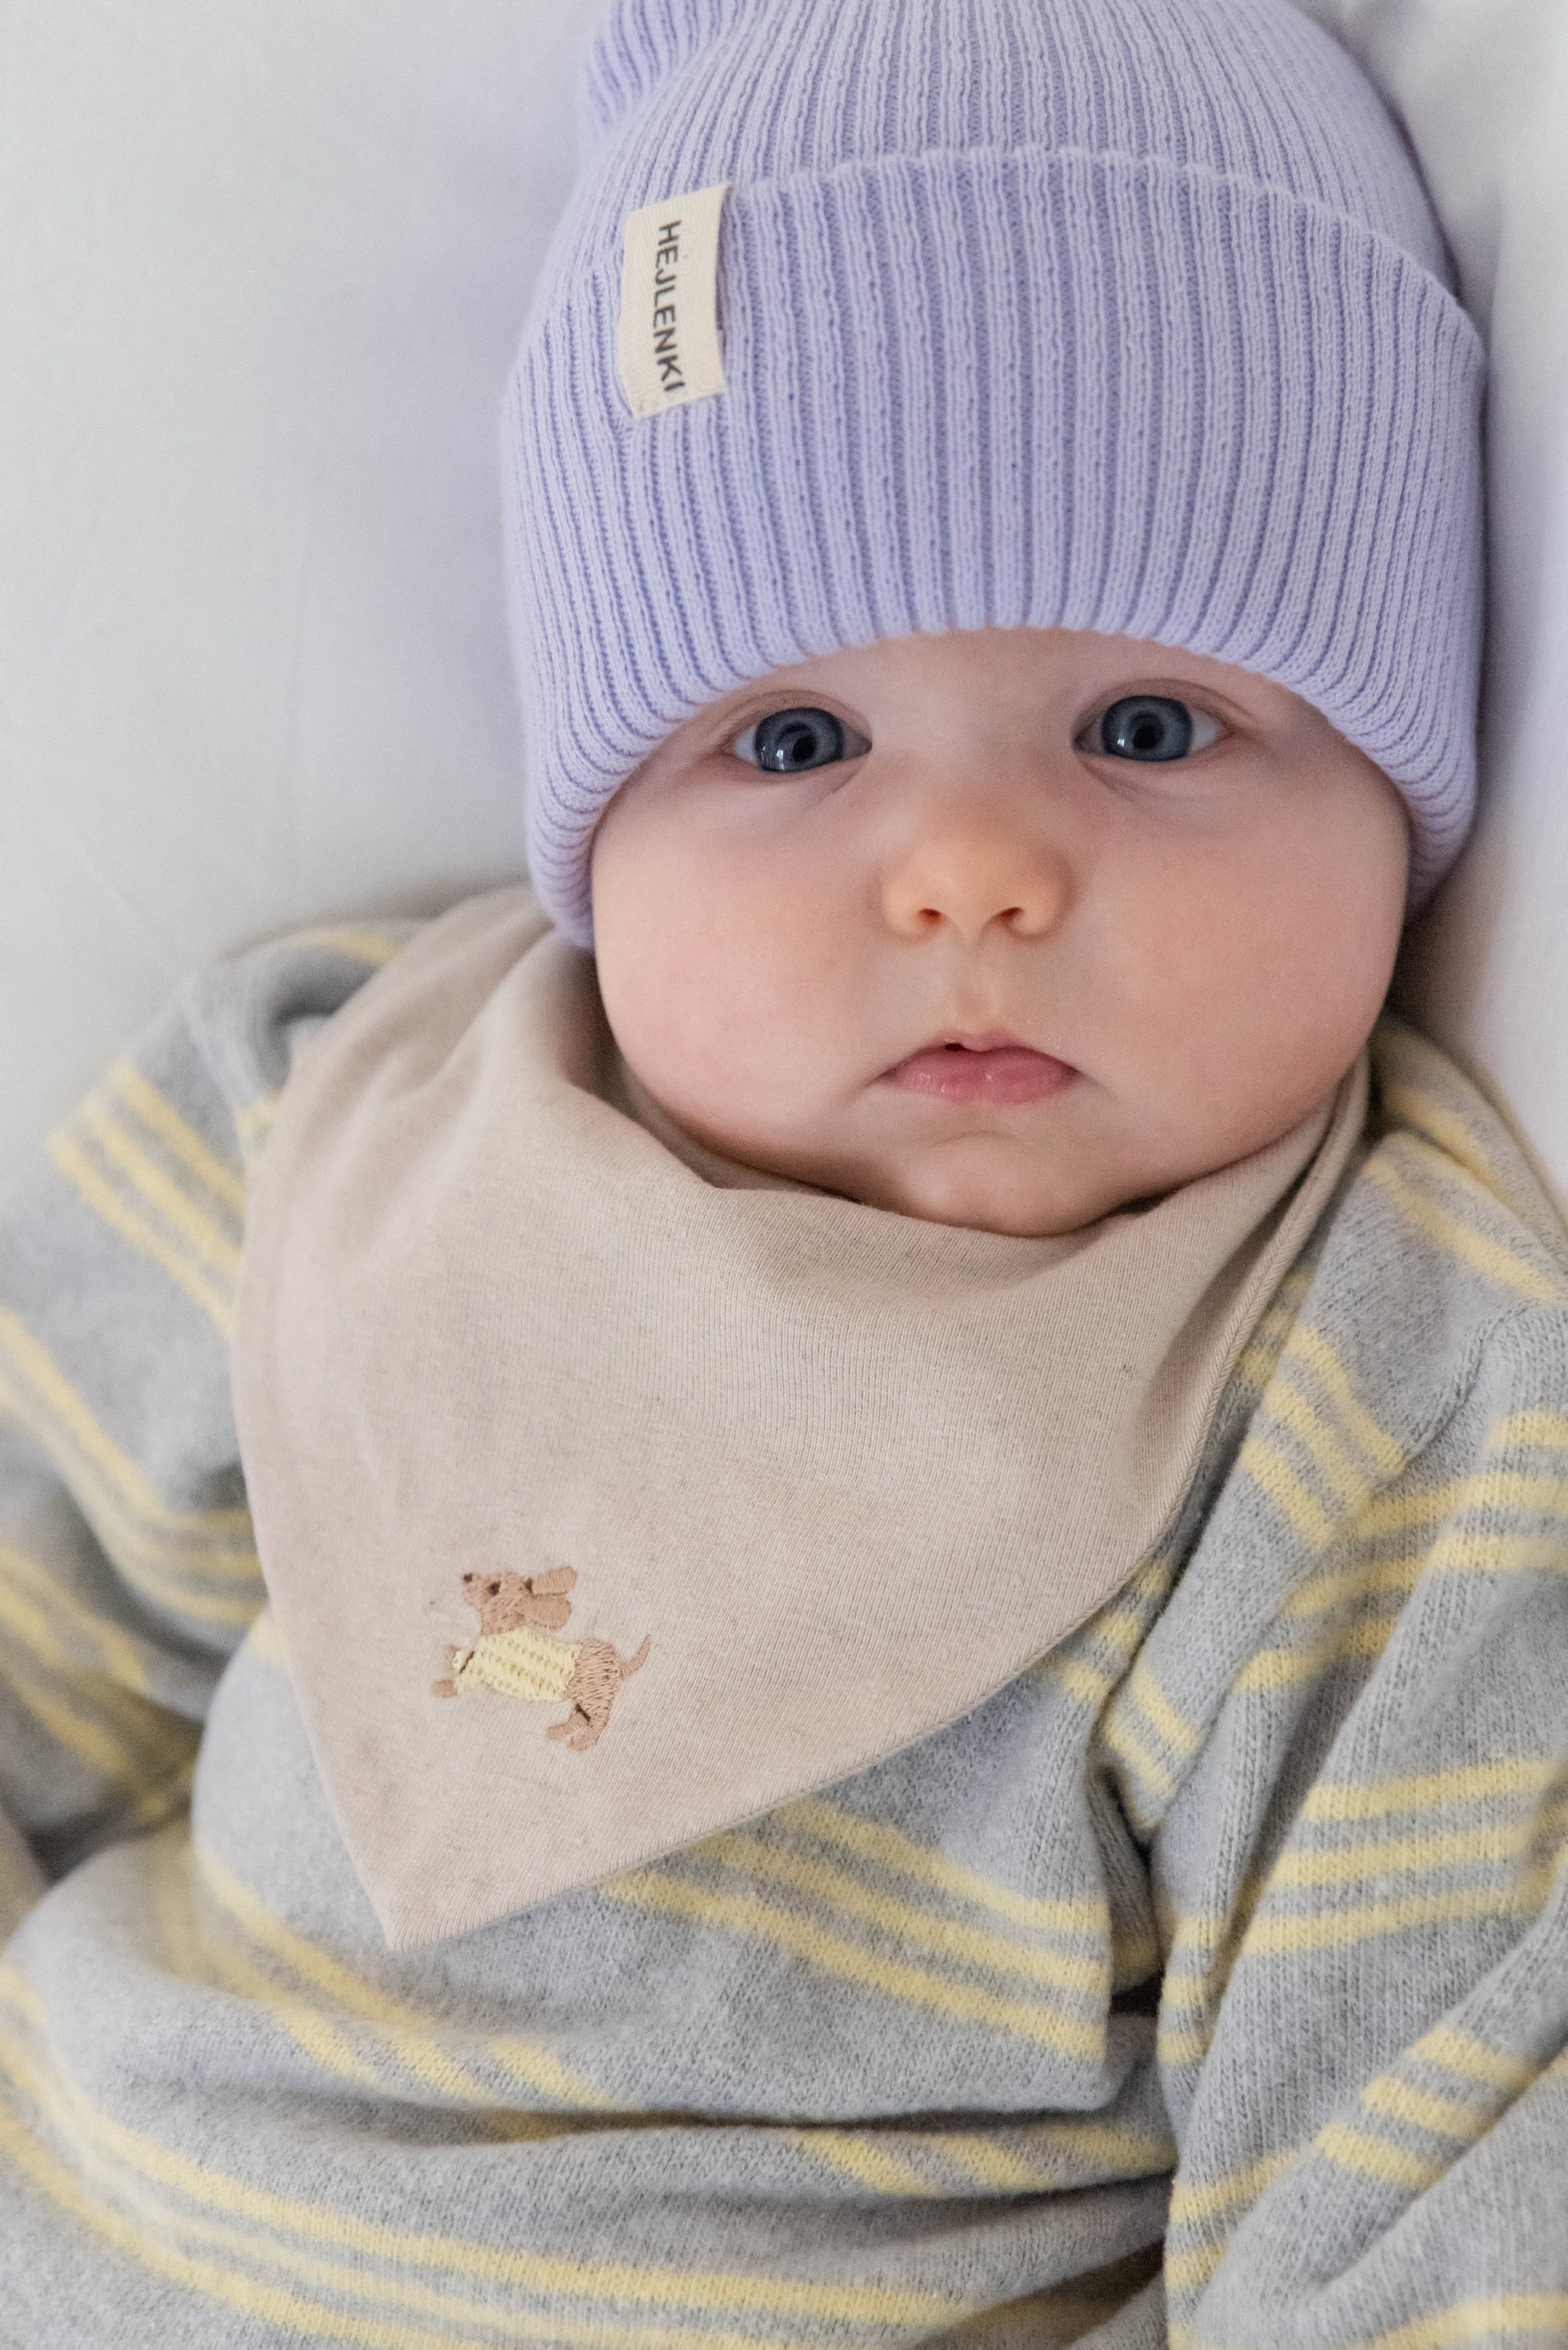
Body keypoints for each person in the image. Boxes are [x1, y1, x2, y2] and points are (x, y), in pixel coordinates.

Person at [0, 0, 1563, 2341]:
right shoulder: (332, 1115)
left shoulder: (1384, 1388)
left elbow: (1418, 2181)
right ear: (600, 830)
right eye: (793, 737)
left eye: (1152, 726)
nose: (966, 874)